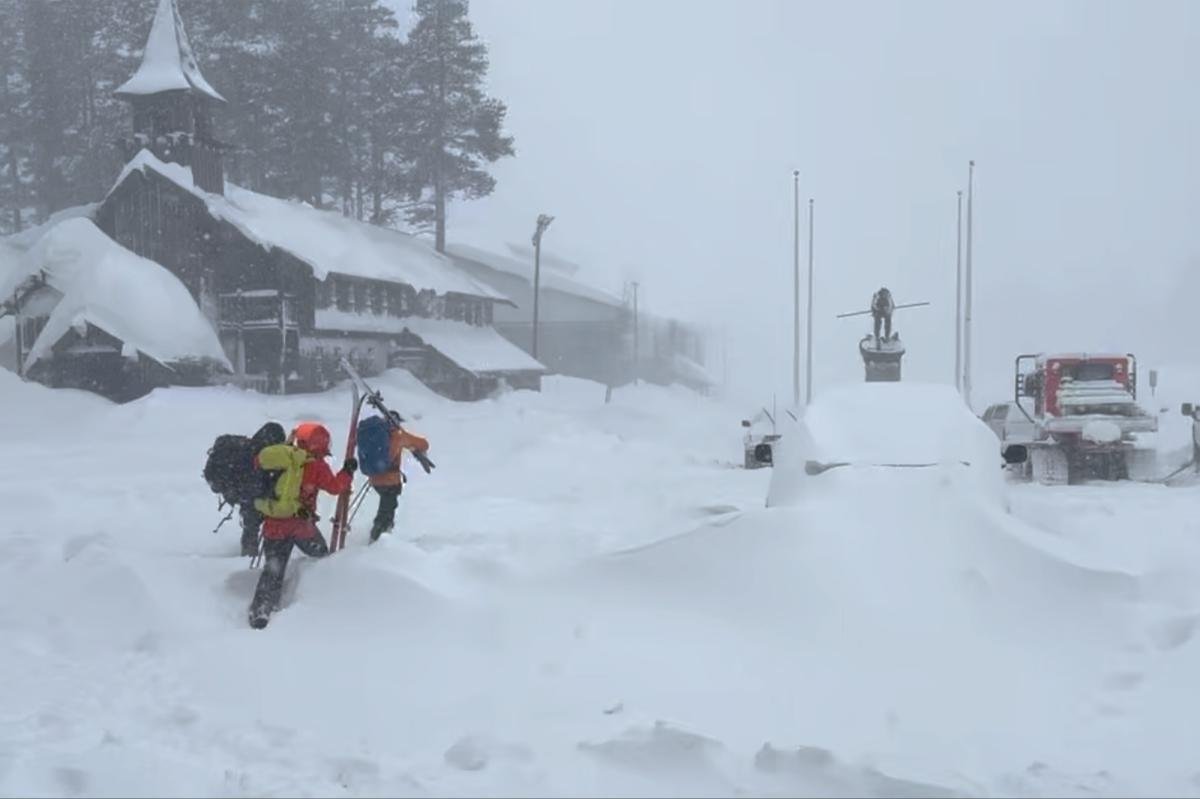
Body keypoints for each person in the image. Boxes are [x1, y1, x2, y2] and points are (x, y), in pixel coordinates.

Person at [247, 421, 357, 628]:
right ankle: (314, 590)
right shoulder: (316, 465)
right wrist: (348, 472)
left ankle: (261, 609)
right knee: (321, 555)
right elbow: (335, 487)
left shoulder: (282, 458)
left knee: (273, 569)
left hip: (273, 524)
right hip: (300, 526)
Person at [368, 411, 431, 543]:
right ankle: (378, 539)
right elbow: (423, 443)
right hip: (390, 480)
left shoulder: (376, 433)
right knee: (387, 510)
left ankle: (380, 536)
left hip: (375, 478)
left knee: (386, 507)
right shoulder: (398, 435)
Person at [238, 422, 286, 556]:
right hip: (255, 496)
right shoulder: (264, 454)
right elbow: (258, 480)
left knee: (250, 526)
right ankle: (253, 555)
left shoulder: (250, 449)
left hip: (247, 495)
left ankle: (248, 553)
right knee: (254, 524)